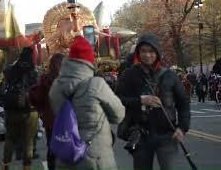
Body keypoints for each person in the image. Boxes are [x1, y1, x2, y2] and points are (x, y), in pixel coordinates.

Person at [49, 35, 125, 170]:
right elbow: (119, 115)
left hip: (67, 153)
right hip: (94, 156)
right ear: (89, 62)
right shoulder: (97, 84)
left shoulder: (56, 86)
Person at [116, 33, 190, 170]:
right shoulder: (129, 74)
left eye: (151, 51)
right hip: (140, 134)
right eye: (143, 51)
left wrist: (182, 127)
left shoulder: (170, 75)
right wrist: (140, 100)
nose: (147, 55)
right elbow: (117, 99)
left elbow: (183, 102)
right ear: (138, 53)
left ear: (157, 53)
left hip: (167, 135)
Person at [1, 47, 38, 170]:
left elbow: (4, 80)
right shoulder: (33, 72)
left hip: (11, 108)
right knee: (28, 140)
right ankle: (26, 167)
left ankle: (5, 165)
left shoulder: (10, 70)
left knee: (10, 138)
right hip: (29, 110)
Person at [29, 53, 65, 170]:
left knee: (52, 147)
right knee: (68, 145)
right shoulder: (69, 78)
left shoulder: (45, 78)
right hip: (67, 118)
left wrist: (42, 110)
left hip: (51, 119)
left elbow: (39, 98)